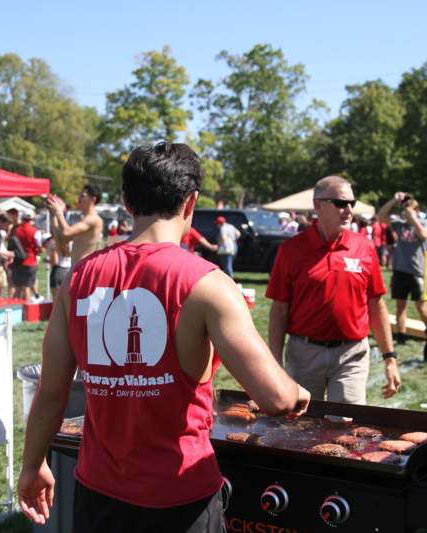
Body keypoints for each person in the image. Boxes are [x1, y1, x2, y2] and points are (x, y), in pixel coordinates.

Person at [17, 141, 310, 532]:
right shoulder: (208, 284)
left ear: (126, 201)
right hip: (179, 497)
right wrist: (298, 393)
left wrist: (32, 465)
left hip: (98, 493)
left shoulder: (78, 279)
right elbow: (276, 398)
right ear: (191, 202)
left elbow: (51, 391)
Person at [266, 175, 400, 404]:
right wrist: (274, 362)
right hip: (304, 353)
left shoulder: (364, 248)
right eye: (340, 203)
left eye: (352, 203)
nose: (348, 210)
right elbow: (279, 310)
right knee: (300, 426)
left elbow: (376, 305)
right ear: (318, 205)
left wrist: (390, 359)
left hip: (352, 354)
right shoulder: (291, 250)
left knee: (346, 427)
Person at [377, 192, 427, 358]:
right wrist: (394, 200)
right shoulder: (399, 224)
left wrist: (412, 217)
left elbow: (424, 235)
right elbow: (381, 216)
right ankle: (401, 336)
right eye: (403, 208)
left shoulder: (424, 222)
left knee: (420, 306)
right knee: (400, 306)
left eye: (408, 208)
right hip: (400, 270)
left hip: (416, 271)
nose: (405, 211)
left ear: (416, 209)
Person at [47, 185, 104, 265]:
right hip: (76, 268)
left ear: (93, 199)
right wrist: (53, 216)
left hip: (83, 269)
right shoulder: (84, 219)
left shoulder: (93, 219)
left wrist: (59, 212)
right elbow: (61, 240)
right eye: (79, 195)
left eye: (83, 196)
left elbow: (66, 232)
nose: (79, 198)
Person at [11, 211, 41, 300]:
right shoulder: (35, 231)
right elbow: (39, 246)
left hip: (17, 261)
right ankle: (26, 310)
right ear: (31, 219)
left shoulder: (16, 230)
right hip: (30, 261)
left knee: (18, 287)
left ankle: (13, 308)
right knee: (27, 286)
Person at [44, 236, 72, 301]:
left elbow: (55, 261)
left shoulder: (53, 242)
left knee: (57, 302)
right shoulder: (70, 241)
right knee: (67, 300)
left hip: (58, 271)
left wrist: (47, 260)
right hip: (69, 271)